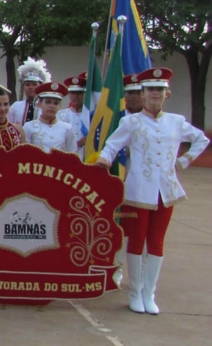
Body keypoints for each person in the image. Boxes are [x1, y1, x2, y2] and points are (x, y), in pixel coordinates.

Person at [96, 68, 208, 315]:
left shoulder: (176, 122)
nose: (155, 93)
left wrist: (185, 160)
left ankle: (149, 293)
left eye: (159, 89)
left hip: (165, 191)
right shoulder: (131, 121)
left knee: (156, 242)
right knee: (136, 240)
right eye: (150, 90)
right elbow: (112, 144)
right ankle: (135, 292)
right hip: (138, 190)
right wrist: (104, 159)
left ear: (167, 93)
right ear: (143, 94)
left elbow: (201, 139)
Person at [24, 82, 78, 153]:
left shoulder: (67, 128)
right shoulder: (29, 126)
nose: (52, 106)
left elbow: (72, 154)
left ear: (59, 107)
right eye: (48, 102)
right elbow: (24, 153)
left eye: (56, 103)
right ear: (39, 104)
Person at [8, 58, 50, 125]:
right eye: (27, 84)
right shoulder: (15, 106)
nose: (30, 87)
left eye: (34, 84)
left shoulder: (46, 107)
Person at [57, 75, 90, 155]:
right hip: (66, 158)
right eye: (73, 93)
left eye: (79, 93)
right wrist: (77, 144)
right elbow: (56, 140)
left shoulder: (90, 115)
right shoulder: (60, 115)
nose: (76, 96)